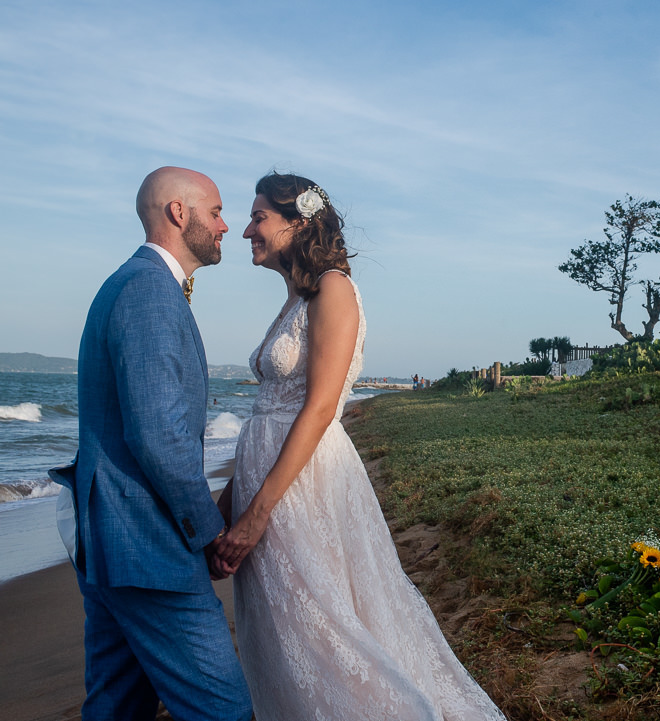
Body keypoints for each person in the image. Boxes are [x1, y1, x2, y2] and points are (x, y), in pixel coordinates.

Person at [213, 172, 506, 720]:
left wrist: (255, 515)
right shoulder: (296, 298)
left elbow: (321, 408)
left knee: (323, 630)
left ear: (298, 222)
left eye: (259, 217)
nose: (247, 229)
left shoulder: (333, 288)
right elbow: (269, 414)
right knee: (283, 635)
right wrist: (229, 503)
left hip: (303, 488)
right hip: (272, 482)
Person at [49, 167, 252, 721]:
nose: (226, 225)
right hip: (147, 544)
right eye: (215, 212)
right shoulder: (149, 293)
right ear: (178, 213)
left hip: (112, 538)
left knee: (117, 705)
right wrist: (208, 532)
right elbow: (159, 438)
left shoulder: (134, 284)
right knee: (224, 710)